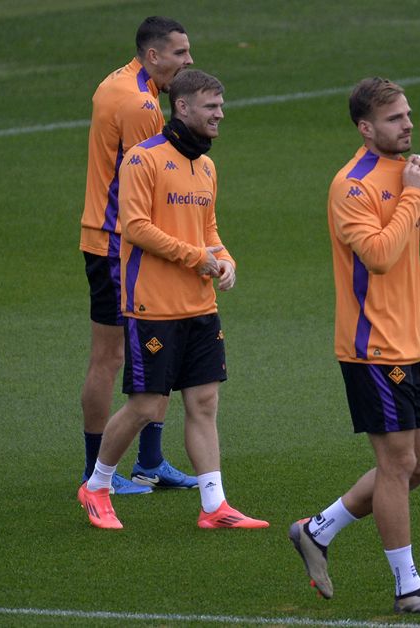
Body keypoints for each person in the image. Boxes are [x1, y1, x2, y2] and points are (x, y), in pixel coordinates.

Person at [288, 77, 420, 615]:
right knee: (396, 464)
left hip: (410, 343)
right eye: (394, 118)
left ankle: (316, 530)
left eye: (408, 115)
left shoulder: (407, 172)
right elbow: (380, 255)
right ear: (366, 128)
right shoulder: (352, 185)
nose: (407, 124)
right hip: (371, 348)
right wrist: (412, 193)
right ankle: (408, 587)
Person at [77, 69, 268, 531]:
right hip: (153, 306)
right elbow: (136, 227)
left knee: (203, 402)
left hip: (200, 306)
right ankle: (97, 485)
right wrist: (195, 257)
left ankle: (214, 506)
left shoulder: (205, 166)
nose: (220, 114)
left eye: (220, 106)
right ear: (182, 107)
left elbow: (208, 230)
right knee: (147, 406)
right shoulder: (143, 160)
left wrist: (224, 259)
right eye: (211, 106)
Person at [78, 16, 197, 494]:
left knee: (153, 344)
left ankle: (149, 461)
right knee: (109, 357)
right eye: (180, 53)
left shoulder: (122, 81)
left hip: (112, 237)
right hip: (116, 244)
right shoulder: (139, 104)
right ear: (153, 55)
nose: (189, 61)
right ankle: (94, 473)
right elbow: (152, 181)